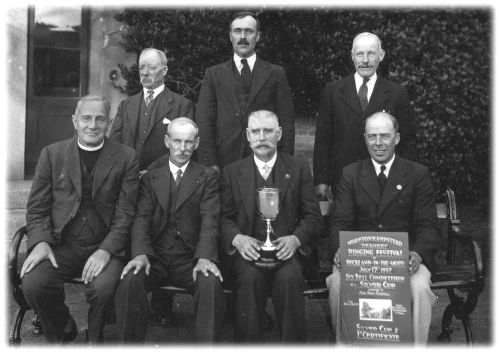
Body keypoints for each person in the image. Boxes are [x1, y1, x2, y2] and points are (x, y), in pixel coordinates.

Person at [21, 96, 139, 344]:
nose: (92, 125)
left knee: (104, 289)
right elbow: (37, 207)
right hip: (62, 244)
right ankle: (62, 329)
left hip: (104, 245)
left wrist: (106, 250)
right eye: (86, 118)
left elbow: (126, 212)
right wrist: (41, 242)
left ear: (108, 123)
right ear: (75, 121)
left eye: (100, 119)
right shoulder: (52, 154)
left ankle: (94, 340)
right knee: (34, 283)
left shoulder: (126, 157)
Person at [326, 111, 443, 344]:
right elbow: (340, 222)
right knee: (338, 282)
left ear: (396, 138)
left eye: (384, 136)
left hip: (404, 260)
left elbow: (428, 224)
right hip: (362, 261)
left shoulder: (417, 174)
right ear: (365, 139)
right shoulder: (351, 174)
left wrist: (417, 254)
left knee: (419, 286)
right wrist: (340, 249)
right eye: (372, 137)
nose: (378, 143)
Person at [115, 117, 226, 343]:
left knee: (210, 285)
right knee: (130, 281)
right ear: (167, 141)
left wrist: (204, 257)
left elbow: (210, 219)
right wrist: (140, 254)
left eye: (188, 142)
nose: (183, 148)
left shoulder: (207, 176)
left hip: (189, 259)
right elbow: (142, 218)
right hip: (155, 257)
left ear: (196, 144)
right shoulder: (150, 177)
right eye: (177, 141)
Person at [220, 110, 322, 342]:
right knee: (248, 279)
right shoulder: (232, 172)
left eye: (268, 131)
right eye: (256, 131)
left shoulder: (298, 168)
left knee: (289, 278)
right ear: (247, 135)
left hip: (287, 254)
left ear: (279, 134)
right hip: (248, 255)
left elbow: (313, 217)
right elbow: (222, 218)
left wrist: (296, 239)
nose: (262, 137)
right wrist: (238, 238)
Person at [313, 32, 417, 200]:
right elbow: (323, 140)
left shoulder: (397, 93)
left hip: (385, 179)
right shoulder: (333, 91)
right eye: (360, 54)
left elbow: (407, 141)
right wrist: (322, 180)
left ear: (381, 55)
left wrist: (407, 179)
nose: (365, 60)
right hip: (343, 179)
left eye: (371, 53)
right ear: (352, 56)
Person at [195, 11, 295, 172]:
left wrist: (284, 163)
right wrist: (209, 163)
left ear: (258, 36)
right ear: (230, 36)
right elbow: (204, 121)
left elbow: (287, 122)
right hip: (223, 162)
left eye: (249, 31)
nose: (243, 36)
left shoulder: (276, 73)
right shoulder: (213, 75)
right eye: (237, 31)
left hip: (265, 160)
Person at [109, 48, 194, 173]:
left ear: (164, 71)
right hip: (129, 179)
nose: (145, 73)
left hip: (163, 179)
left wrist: (152, 172)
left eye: (151, 68)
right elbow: (114, 145)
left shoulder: (182, 105)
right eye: (141, 68)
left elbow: (184, 148)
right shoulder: (126, 106)